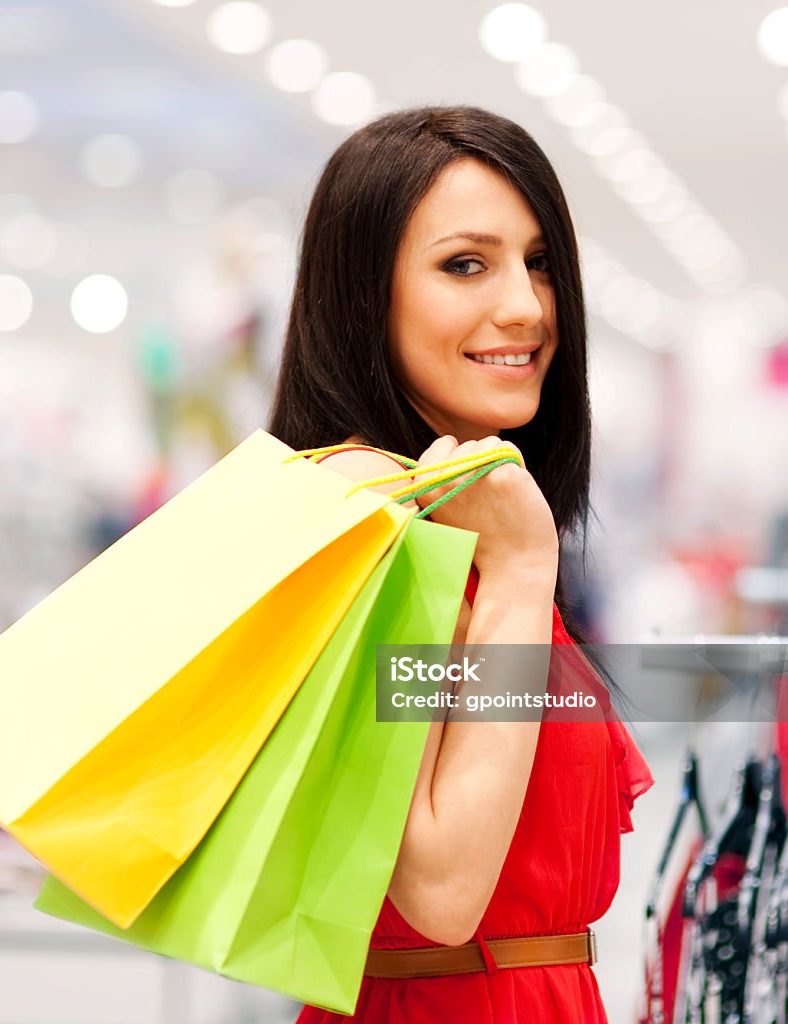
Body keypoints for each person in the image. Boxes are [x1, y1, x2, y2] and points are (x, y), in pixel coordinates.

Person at [267, 106, 655, 1023]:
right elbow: (440, 890)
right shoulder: (370, 520)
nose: (525, 304)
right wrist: (523, 569)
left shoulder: (455, 516)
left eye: (541, 261)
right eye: (465, 264)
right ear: (365, 296)